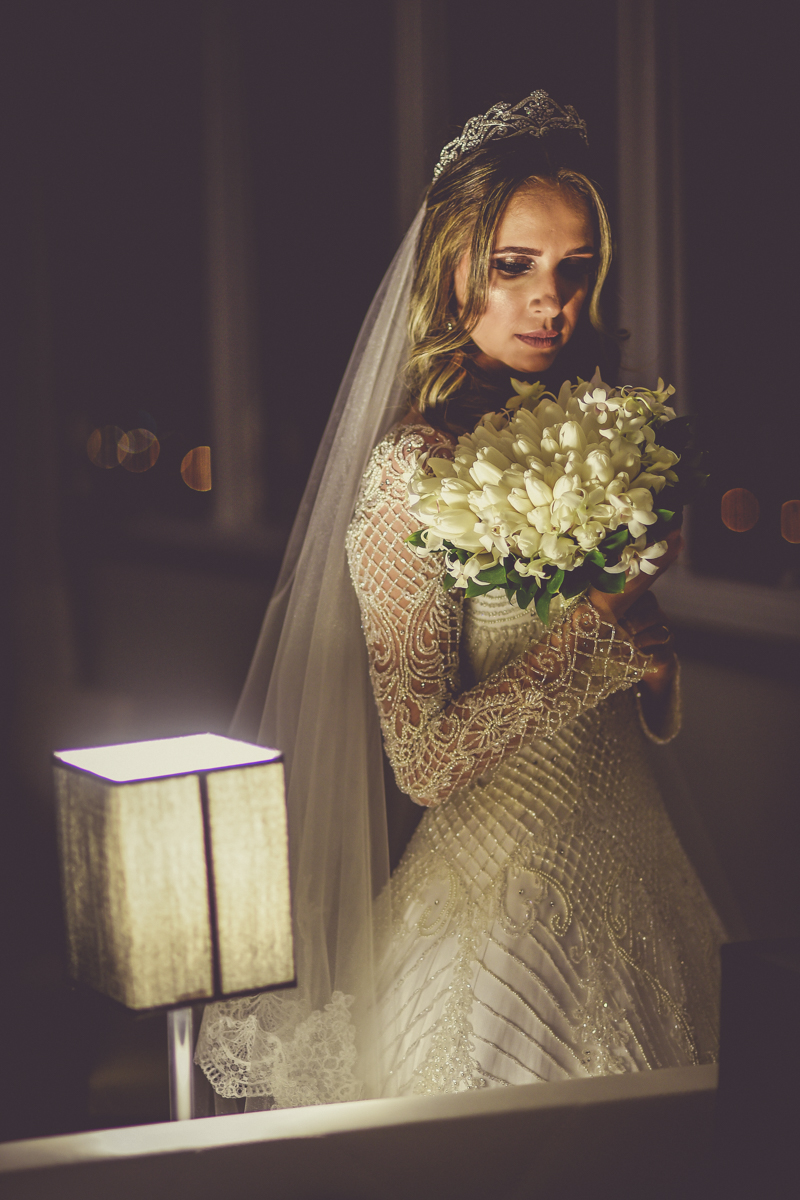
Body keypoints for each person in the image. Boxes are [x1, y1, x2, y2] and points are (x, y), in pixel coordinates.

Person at [196, 92, 724, 1109]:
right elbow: (424, 760)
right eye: (513, 265)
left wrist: (653, 669)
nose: (551, 301)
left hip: (634, 872)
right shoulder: (412, 472)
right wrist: (595, 632)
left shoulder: (591, 432)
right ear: (450, 269)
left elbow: (617, 688)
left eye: (574, 267)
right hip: (497, 914)